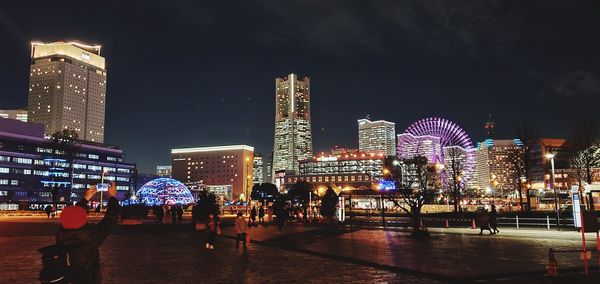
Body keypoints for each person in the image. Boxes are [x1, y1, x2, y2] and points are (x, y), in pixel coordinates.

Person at [55, 182, 120, 283]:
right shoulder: (91, 236)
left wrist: (84, 199)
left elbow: (72, 215)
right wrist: (112, 197)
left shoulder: (61, 234)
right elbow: (110, 220)